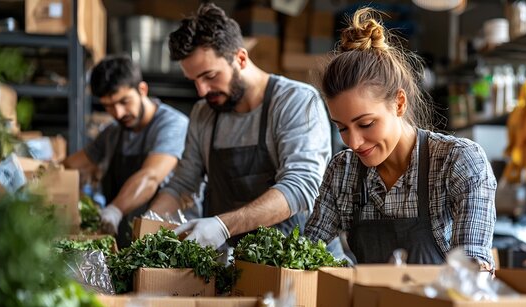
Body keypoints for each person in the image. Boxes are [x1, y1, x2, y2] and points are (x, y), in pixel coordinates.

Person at [304, 8, 497, 270]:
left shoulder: (458, 162)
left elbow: (472, 272)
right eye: (342, 128)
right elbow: (307, 250)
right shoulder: (343, 170)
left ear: (399, 103)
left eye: (366, 124)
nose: (354, 142)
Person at [148, 3, 332, 249]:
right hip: (236, 265)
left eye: (210, 76)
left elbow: (301, 187)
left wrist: (223, 226)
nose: (202, 91)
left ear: (241, 58)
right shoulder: (204, 113)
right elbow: (183, 184)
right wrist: (148, 224)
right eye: (194, 80)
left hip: (297, 261)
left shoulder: (295, 101)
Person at [64, 55, 189, 247]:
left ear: (142, 89)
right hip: (128, 242)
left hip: (169, 244)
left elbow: (150, 176)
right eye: (109, 106)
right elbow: (71, 164)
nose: (118, 113)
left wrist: (114, 210)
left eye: (124, 101)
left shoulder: (172, 125)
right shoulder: (113, 133)